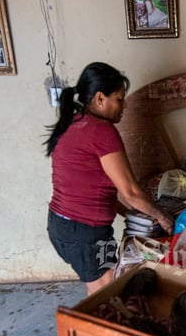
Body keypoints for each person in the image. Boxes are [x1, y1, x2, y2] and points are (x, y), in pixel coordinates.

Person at [44, 62, 174, 296]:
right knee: (105, 293)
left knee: (103, 287)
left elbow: (93, 188)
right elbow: (131, 192)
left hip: (62, 226)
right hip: (85, 234)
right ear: (100, 98)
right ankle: (94, 332)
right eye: (119, 99)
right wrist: (162, 216)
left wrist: (133, 213)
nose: (123, 106)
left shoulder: (73, 122)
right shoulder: (101, 130)